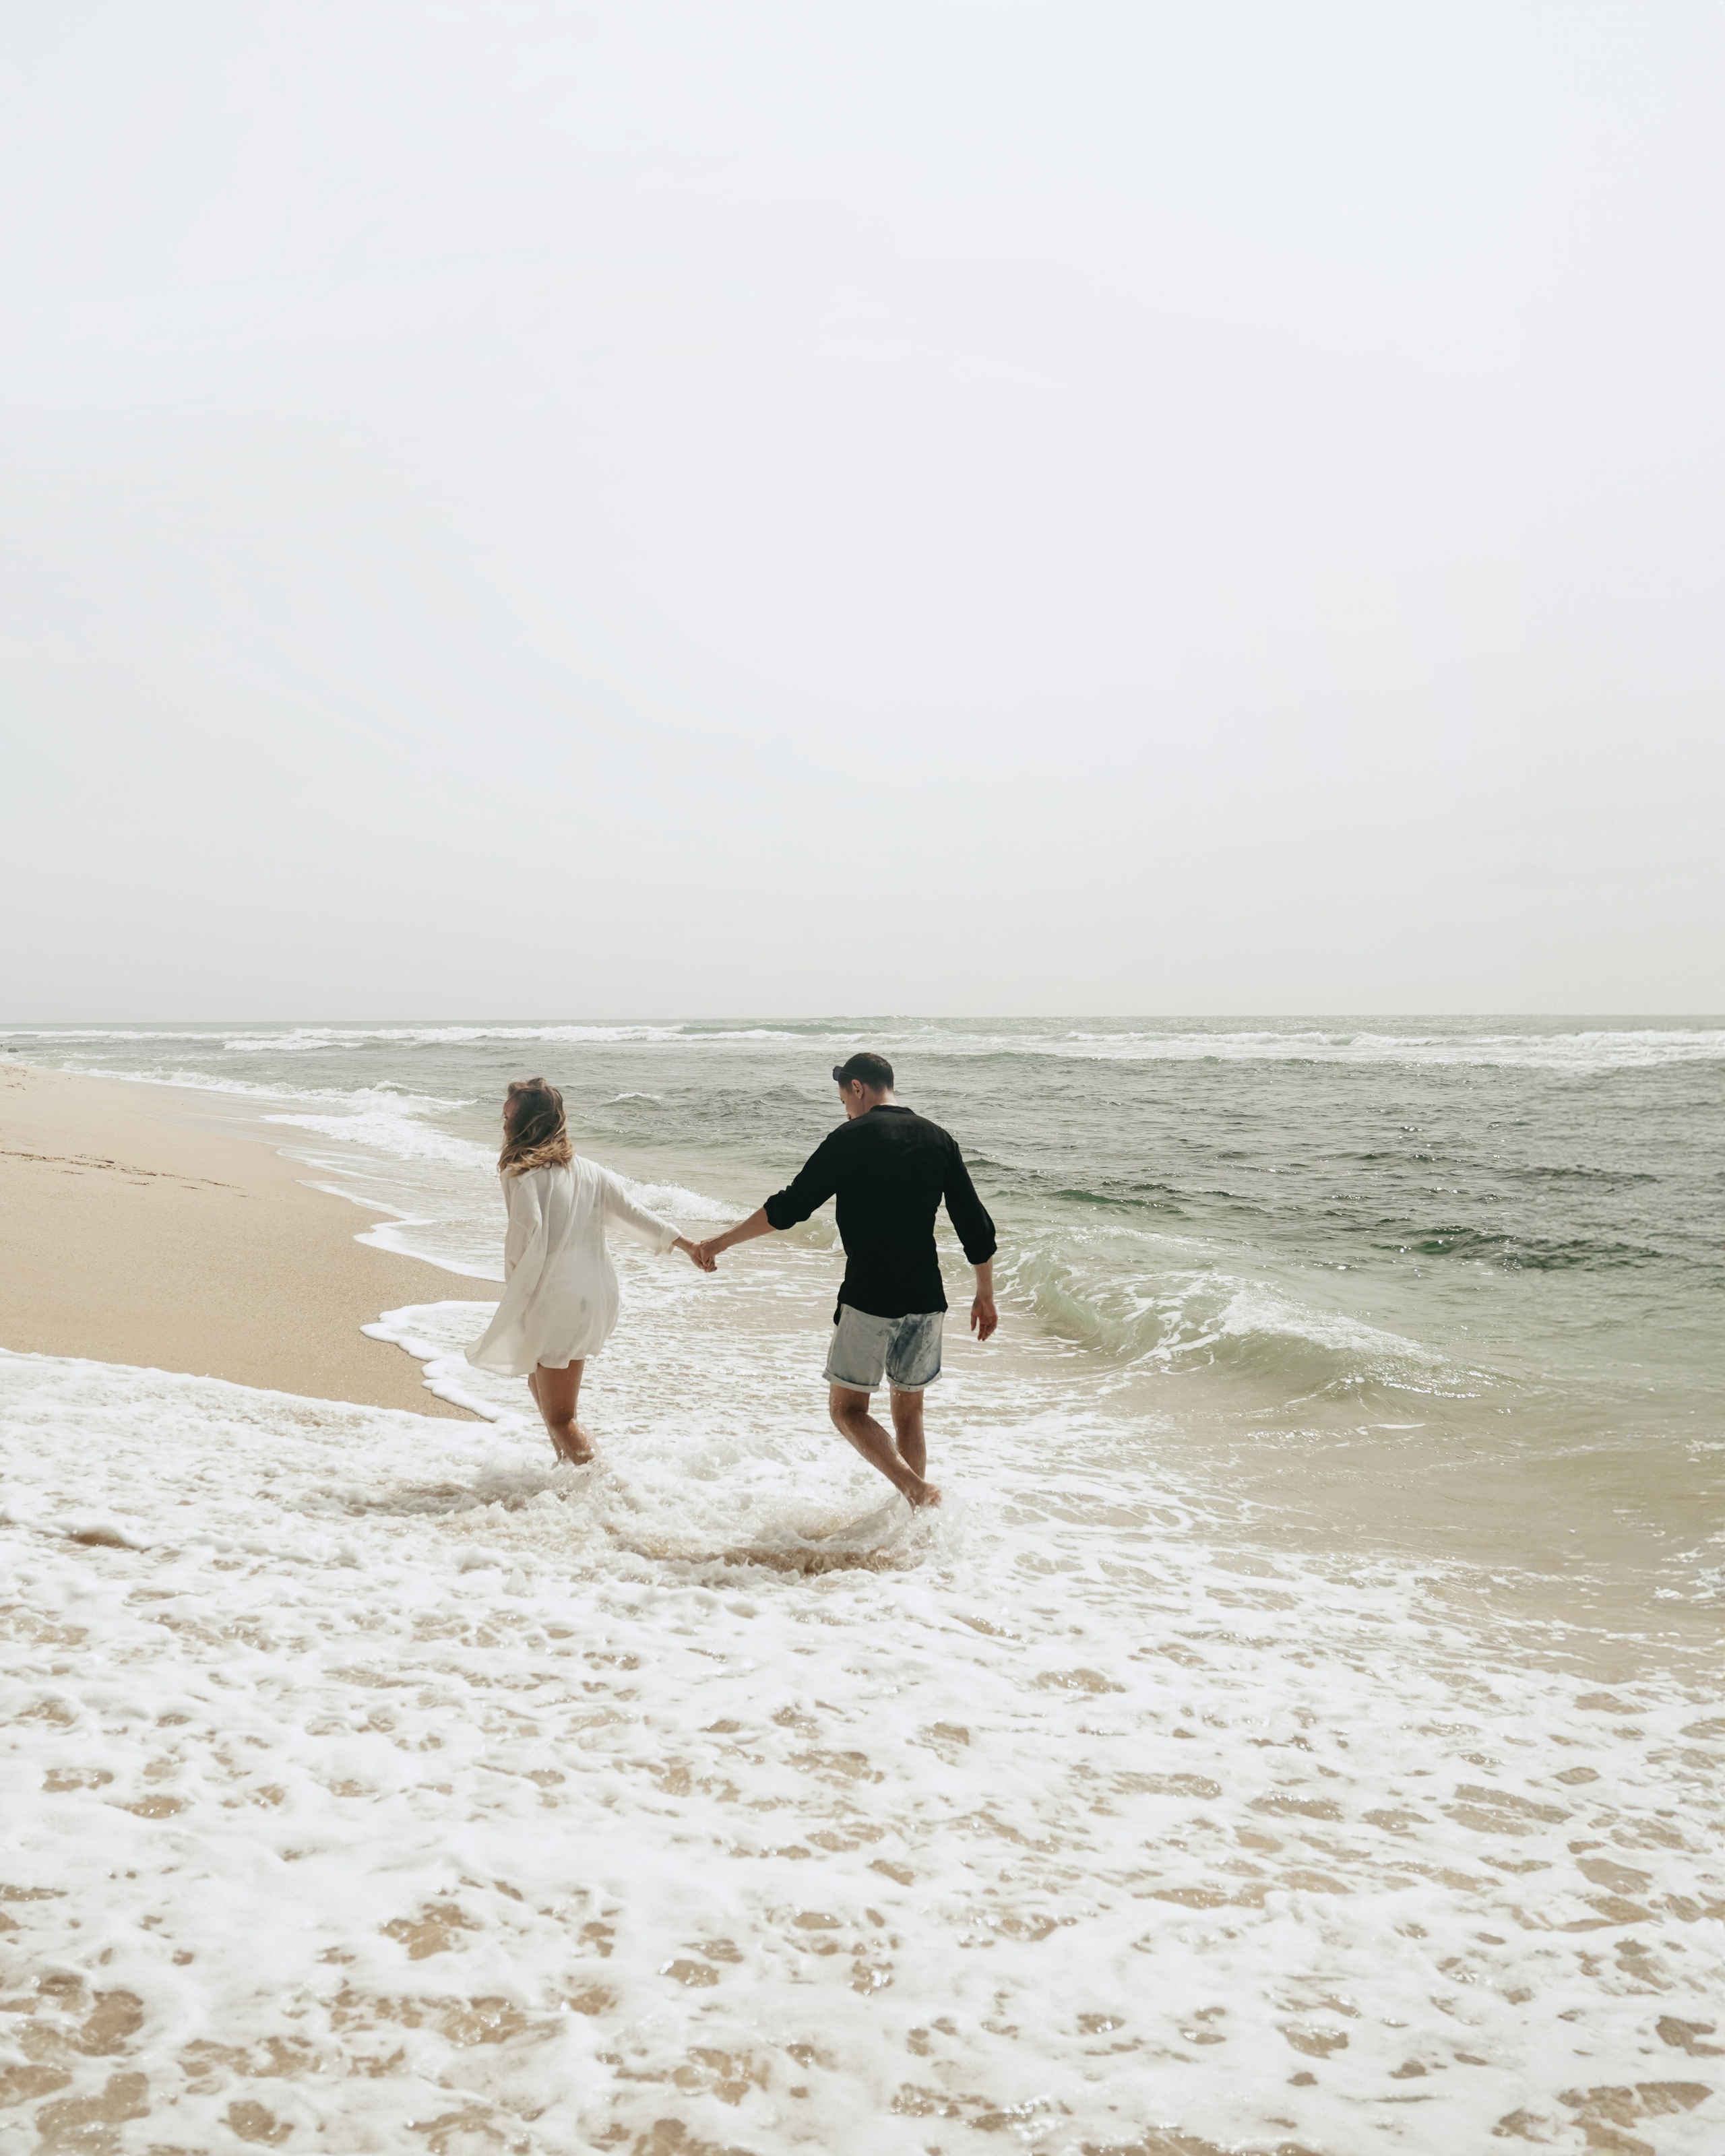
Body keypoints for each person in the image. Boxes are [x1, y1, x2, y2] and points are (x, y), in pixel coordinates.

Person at [695, 1052, 997, 1508]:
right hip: (926, 1297)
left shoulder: (851, 1138)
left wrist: (720, 1242)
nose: (846, 1109)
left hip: (870, 1297)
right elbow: (974, 1224)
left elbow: (791, 1207)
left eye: (844, 1100)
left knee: (847, 1410)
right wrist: (985, 1296)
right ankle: (915, 1518)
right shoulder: (939, 1140)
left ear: (858, 1088)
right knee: (909, 1412)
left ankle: (917, 1490)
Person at [466, 1077, 714, 1464]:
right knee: (541, 1383)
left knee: (562, 1416)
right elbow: (634, 1214)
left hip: (553, 1301)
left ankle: (612, 1492)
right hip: (594, 1297)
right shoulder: (591, 1172)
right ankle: (569, 1472)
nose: (503, 1126)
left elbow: (522, 1243)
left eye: (509, 1118)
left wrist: (516, 1295)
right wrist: (688, 1246)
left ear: (529, 1125)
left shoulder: (521, 1175)